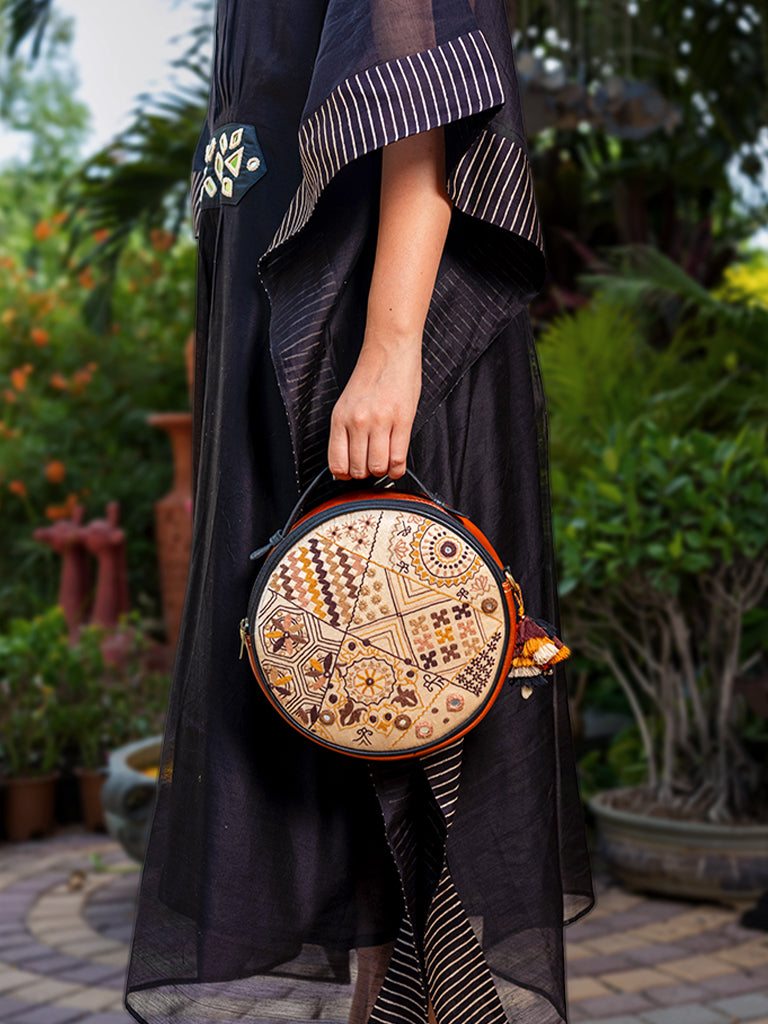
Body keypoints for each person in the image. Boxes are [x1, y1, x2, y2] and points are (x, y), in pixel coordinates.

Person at [125, 2, 594, 1023]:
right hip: (299, 333)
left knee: (405, 738)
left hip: (358, 341)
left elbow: (416, 63)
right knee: (359, 761)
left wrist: (390, 344)